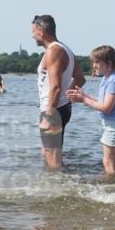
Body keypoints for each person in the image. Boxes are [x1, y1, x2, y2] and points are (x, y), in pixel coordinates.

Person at [32, 14, 86, 169]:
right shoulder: (65, 49)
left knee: (52, 158)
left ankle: (60, 190)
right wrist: (65, 96)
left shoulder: (54, 51)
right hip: (60, 107)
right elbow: (81, 79)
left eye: (34, 31)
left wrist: (49, 114)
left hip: (54, 110)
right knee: (49, 153)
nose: (32, 35)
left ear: (41, 31)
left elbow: (55, 87)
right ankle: (60, 186)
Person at [68, 45, 115, 175]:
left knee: (108, 163)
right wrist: (84, 96)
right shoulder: (107, 78)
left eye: (97, 62)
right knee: (113, 161)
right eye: (93, 62)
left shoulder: (113, 80)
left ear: (109, 63)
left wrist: (84, 100)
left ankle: (111, 188)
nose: (94, 65)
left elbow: (106, 108)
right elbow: (103, 102)